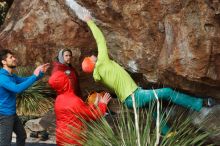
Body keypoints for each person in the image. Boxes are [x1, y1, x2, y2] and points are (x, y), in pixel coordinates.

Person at [81, 15, 216, 135]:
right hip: (134, 96)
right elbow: (100, 40)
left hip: (130, 99)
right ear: (92, 63)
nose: (93, 56)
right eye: (90, 58)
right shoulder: (102, 63)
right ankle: (199, 103)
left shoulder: (98, 73)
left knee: (154, 107)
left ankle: (167, 133)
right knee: (167, 92)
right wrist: (90, 22)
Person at [0, 49, 50, 146]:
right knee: (5, 142)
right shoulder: (2, 77)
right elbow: (17, 88)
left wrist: (40, 73)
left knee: (22, 135)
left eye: (13, 56)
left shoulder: (11, 75)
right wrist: (34, 75)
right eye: (11, 57)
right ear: (3, 62)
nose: (14, 59)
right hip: (4, 115)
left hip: (12, 114)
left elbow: (25, 80)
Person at [48, 71, 111, 146]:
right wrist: (103, 104)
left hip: (61, 139)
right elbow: (91, 115)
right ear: (66, 83)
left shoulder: (58, 99)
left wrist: (93, 105)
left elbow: (79, 112)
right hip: (74, 141)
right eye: (67, 79)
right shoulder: (74, 101)